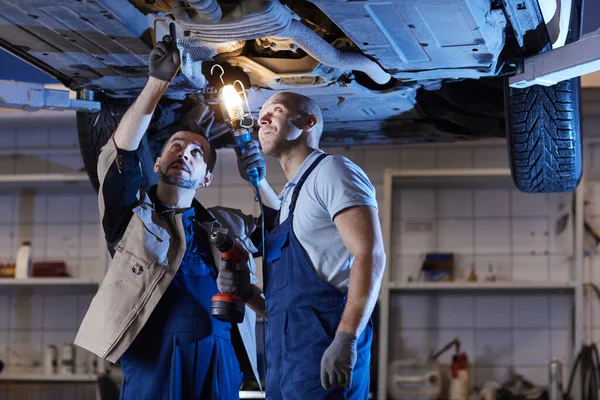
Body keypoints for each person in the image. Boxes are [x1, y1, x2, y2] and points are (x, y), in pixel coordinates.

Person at [74, 24, 266, 399]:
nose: (185, 154)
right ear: (159, 160)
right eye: (176, 146)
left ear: (207, 177)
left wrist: (260, 181)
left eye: (197, 153)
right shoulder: (133, 216)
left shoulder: (226, 224)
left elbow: (280, 228)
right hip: (155, 358)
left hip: (220, 356)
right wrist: (156, 83)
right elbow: (120, 154)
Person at [236, 91, 386, 398]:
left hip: (325, 355)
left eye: (275, 111)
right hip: (284, 363)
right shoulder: (290, 197)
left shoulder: (332, 171)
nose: (262, 119)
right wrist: (246, 293)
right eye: (261, 113)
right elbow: (288, 308)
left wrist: (346, 337)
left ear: (308, 122)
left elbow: (371, 255)